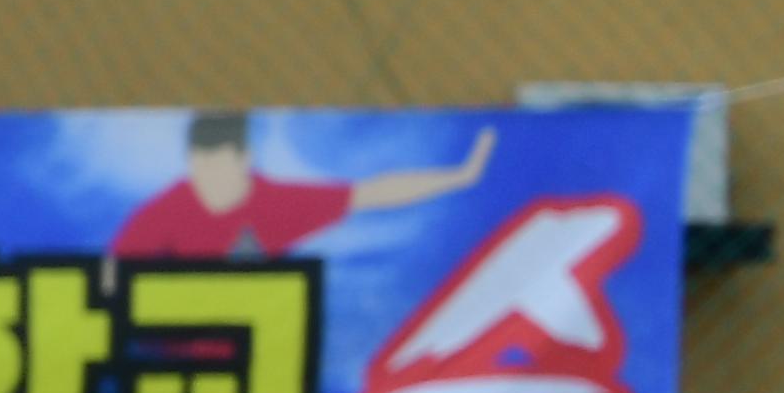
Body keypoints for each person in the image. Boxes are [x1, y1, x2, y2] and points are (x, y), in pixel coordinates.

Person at [110, 109, 497, 261]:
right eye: (200, 167)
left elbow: (373, 193)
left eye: (219, 167)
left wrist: (459, 176)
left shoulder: (279, 204)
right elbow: (113, 272)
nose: (208, 180)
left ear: (244, 159)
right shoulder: (165, 211)